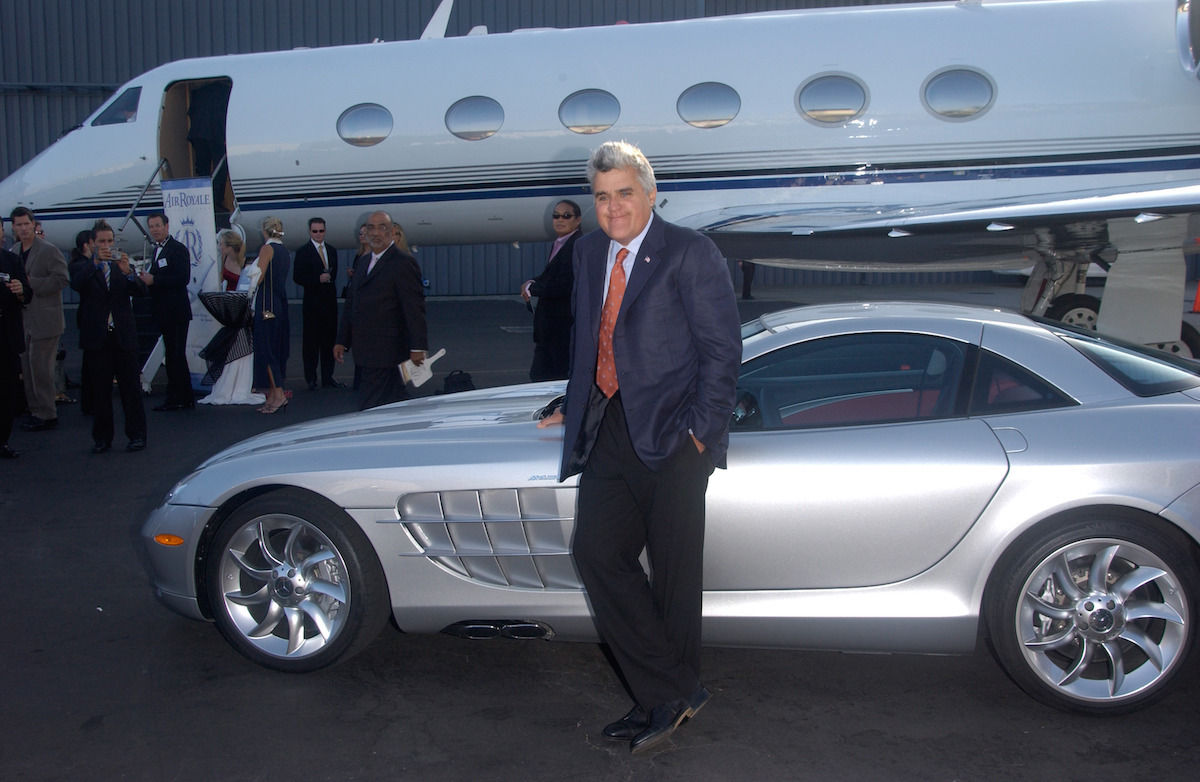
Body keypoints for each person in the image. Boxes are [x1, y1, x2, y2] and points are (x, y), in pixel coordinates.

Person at [537, 141, 742, 755]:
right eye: (602, 197)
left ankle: (663, 698)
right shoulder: (589, 250)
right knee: (599, 553)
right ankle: (674, 690)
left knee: (676, 578)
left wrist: (701, 433)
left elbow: (721, 351)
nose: (613, 207)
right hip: (608, 425)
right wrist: (570, 406)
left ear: (650, 194)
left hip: (675, 435)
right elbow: (588, 341)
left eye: (624, 193)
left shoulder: (690, 252)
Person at [334, 211, 428, 410]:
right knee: (392, 400)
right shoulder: (362, 262)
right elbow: (352, 304)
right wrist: (342, 340)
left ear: (392, 231)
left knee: (371, 403)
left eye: (382, 227)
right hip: (366, 350)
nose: (376, 233)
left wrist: (418, 347)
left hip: (389, 350)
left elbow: (414, 307)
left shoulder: (403, 262)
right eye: (371, 228)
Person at [70, 220, 149, 453]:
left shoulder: (121, 264)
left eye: (110, 241)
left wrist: (128, 274)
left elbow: (142, 292)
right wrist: (95, 263)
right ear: (92, 243)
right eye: (102, 241)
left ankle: (137, 435)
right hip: (98, 338)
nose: (107, 245)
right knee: (101, 392)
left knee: (131, 389)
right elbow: (76, 284)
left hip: (123, 336)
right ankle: (102, 438)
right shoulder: (82, 266)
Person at [12, 207, 69, 432]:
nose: (24, 228)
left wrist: (30, 283)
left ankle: (47, 413)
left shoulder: (48, 250)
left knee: (41, 369)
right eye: (19, 225)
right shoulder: (15, 250)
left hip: (46, 319)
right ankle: (35, 409)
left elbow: (62, 279)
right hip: (24, 318)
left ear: (33, 224)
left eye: (27, 224)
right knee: (27, 367)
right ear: (13, 227)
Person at [198, 229, 265, 406]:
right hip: (229, 309)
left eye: (221, 243)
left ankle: (238, 385)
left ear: (228, 246)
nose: (219, 246)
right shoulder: (224, 259)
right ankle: (229, 384)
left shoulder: (244, 264)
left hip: (238, 310)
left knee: (238, 347)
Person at [139, 212, 195, 411]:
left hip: (176, 311)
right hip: (163, 311)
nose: (154, 229)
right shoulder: (157, 251)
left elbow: (182, 278)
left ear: (166, 226)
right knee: (170, 354)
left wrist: (155, 280)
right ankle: (178, 395)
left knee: (176, 354)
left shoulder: (176, 250)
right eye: (151, 226)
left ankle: (181, 397)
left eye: (157, 226)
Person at [521, 199, 580, 381]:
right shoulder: (561, 243)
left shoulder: (576, 246)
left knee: (550, 379)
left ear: (577, 220)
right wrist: (532, 282)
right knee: (541, 377)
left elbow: (563, 285)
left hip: (560, 331)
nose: (559, 220)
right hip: (549, 332)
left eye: (566, 216)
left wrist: (533, 288)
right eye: (556, 216)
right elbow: (551, 276)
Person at [292, 217, 343, 389]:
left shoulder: (332, 250)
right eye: (315, 231)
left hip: (329, 304)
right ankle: (311, 378)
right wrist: (316, 279)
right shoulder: (303, 252)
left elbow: (334, 274)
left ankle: (328, 377)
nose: (318, 234)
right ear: (309, 232)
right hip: (312, 305)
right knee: (311, 343)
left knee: (329, 342)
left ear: (325, 231)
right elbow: (297, 277)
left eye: (321, 231)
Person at [252, 217, 291, 414]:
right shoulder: (284, 251)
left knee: (267, 350)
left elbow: (258, 277)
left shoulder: (267, 249)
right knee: (275, 350)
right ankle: (276, 394)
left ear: (264, 232)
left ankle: (278, 394)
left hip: (266, 305)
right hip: (279, 303)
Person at [1, 235, 33, 458]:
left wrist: (21, 290)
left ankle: (2, 441)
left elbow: (28, 296)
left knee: (6, 392)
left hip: (7, 337)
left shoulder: (12, 260)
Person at [69, 230, 97, 415]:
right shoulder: (80, 265)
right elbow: (79, 283)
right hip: (89, 317)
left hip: (91, 316)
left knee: (90, 362)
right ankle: (89, 402)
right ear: (87, 244)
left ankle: (90, 401)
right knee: (91, 362)